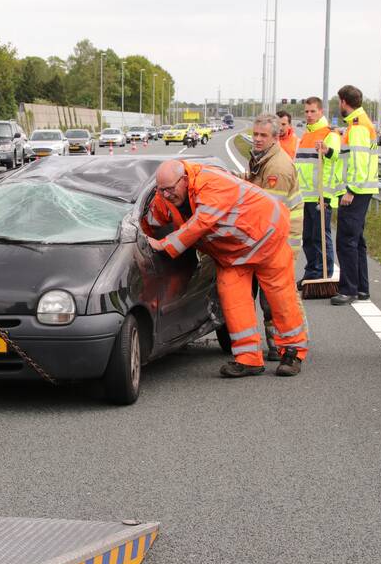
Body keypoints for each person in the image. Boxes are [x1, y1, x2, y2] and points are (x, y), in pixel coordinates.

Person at [142, 159, 309, 377]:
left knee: (280, 298)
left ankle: (293, 352)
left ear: (183, 180)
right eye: (161, 190)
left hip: (266, 237)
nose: (165, 195)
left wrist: (163, 245)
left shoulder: (211, 183)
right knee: (233, 301)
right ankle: (248, 358)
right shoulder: (166, 196)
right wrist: (139, 238)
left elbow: (199, 224)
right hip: (232, 253)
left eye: (169, 189)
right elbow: (149, 221)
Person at [246, 113, 304, 360]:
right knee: (271, 298)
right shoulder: (261, 159)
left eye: (263, 136)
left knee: (279, 299)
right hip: (270, 239)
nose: (257, 140)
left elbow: (269, 214)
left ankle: (292, 345)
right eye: (255, 134)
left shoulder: (277, 168)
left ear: (274, 137)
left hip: (279, 241)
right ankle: (277, 345)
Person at [331, 85, 379, 305]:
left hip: (356, 191)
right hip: (362, 189)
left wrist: (350, 190)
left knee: (346, 241)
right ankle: (361, 289)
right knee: (356, 241)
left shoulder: (358, 127)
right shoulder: (357, 124)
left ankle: (349, 289)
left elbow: (359, 162)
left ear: (343, 102)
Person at [295, 96, 342, 287]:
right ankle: (312, 270)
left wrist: (327, 151)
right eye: (306, 111)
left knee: (320, 237)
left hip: (321, 195)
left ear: (321, 111)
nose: (309, 115)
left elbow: (336, 160)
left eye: (313, 111)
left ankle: (323, 272)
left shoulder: (329, 134)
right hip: (305, 195)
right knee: (307, 238)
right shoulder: (306, 135)